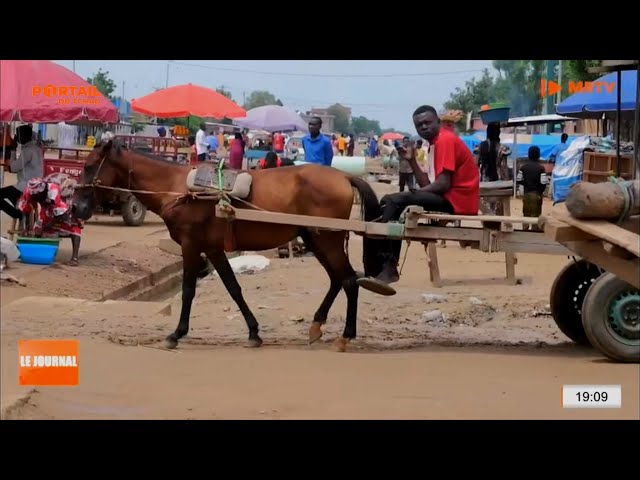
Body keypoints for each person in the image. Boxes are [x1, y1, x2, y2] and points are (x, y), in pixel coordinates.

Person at [364, 105, 479, 285]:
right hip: (447, 197)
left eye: (427, 122)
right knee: (388, 200)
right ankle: (380, 266)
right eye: (419, 125)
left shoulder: (446, 140)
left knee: (395, 201)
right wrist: (412, 161)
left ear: (438, 122)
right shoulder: (432, 144)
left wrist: (414, 193)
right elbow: (429, 184)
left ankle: (389, 266)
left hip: (457, 200)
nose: (424, 127)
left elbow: (443, 184)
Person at [17, 174, 84, 266]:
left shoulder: (53, 190)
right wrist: (26, 227)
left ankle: (74, 258)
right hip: (48, 207)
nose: (37, 198)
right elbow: (25, 209)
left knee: (73, 226)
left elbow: (59, 211)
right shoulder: (29, 192)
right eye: (35, 197)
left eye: (39, 196)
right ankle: (39, 253)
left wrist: (47, 225)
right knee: (37, 229)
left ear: (43, 192)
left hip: (65, 198)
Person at [1, 125, 43, 222]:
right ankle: (21, 209)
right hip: (37, 186)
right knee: (11, 193)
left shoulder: (27, 151)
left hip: (25, 187)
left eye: (17, 135)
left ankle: (19, 214)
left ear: (22, 136)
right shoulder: (37, 149)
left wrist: (13, 149)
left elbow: (13, 168)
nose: (16, 137)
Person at [517, 146, 548, 230]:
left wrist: (526, 184)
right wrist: (540, 191)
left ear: (528, 155)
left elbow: (518, 179)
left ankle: (525, 230)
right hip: (537, 194)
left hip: (526, 194)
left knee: (526, 214)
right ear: (538, 155)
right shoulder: (541, 168)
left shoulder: (523, 167)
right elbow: (543, 183)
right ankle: (535, 232)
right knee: (536, 216)